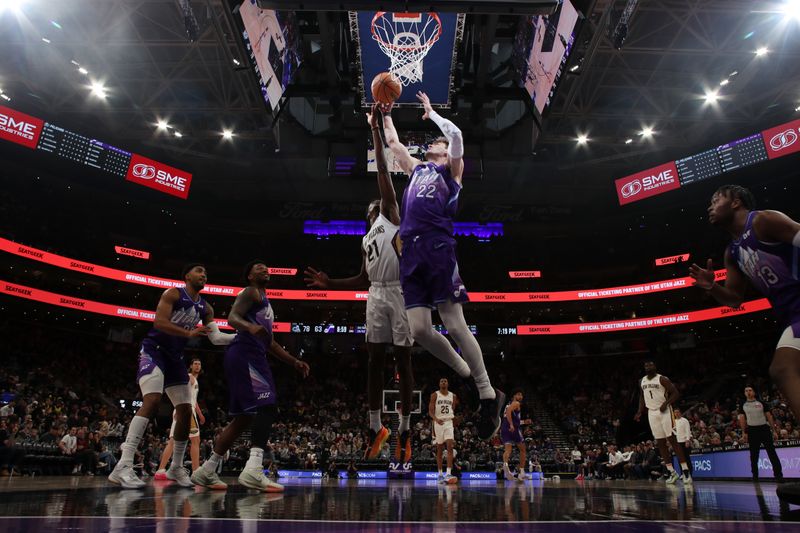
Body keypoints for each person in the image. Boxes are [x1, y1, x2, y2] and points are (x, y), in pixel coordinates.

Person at [380, 92, 504, 439]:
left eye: (440, 142)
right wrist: (384, 114)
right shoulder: (417, 169)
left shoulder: (453, 172)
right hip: (411, 255)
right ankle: (465, 372)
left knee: (455, 323)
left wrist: (433, 113)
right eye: (436, 142)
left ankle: (486, 392)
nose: (437, 144)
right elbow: (392, 142)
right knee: (418, 331)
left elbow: (458, 137)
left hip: (438, 249)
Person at [305, 105, 414, 462]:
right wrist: (329, 282)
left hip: (398, 292)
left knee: (402, 358)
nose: (375, 204)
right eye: (372, 206)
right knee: (374, 360)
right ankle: (374, 426)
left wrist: (375, 131)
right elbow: (362, 279)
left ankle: (405, 429)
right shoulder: (366, 239)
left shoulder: (391, 213)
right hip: (375, 294)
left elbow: (382, 168)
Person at [688, 185, 800, 500]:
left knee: (782, 368)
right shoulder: (732, 251)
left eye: (715, 199)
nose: (709, 206)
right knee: (781, 370)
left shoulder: (763, 221)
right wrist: (712, 288)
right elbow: (735, 299)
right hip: (792, 316)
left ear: (735, 202)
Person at [108, 264, 234, 489]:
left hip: (175, 357)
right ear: (187, 276)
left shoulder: (206, 308)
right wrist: (188, 333)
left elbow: (215, 338)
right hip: (154, 350)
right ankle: (123, 465)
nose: (203, 274)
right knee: (153, 400)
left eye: (206, 272)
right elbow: (159, 322)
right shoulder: (173, 293)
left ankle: (176, 467)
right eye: (199, 271)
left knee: (185, 411)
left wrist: (241, 338)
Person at [191, 260, 310, 492]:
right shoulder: (251, 292)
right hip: (246, 354)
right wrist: (249, 327)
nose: (265, 269)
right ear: (249, 276)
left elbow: (271, 342)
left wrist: (294, 361)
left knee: (244, 418)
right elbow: (233, 318)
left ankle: (207, 470)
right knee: (267, 407)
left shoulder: (265, 303)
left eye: (267, 267)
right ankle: (253, 469)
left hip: (248, 355)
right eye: (258, 267)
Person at [634, 360, 692, 485]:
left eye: (651, 365)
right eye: (646, 365)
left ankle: (686, 472)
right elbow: (642, 396)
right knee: (660, 443)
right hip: (651, 412)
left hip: (665, 411)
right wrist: (639, 411)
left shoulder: (662, 379)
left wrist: (666, 403)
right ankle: (672, 472)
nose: (648, 367)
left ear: (655, 367)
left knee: (672, 440)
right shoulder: (641, 381)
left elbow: (676, 393)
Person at [155, 358, 206, 478]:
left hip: (183, 409)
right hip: (186, 410)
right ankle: (196, 471)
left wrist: (200, 414)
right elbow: (183, 394)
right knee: (195, 440)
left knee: (173, 441)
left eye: (199, 364)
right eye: (195, 364)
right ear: (191, 366)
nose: (197, 366)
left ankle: (160, 470)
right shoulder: (190, 377)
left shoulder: (194, 380)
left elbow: (194, 399)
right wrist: (181, 408)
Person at [739, 386, 784, 482]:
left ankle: (778, 475)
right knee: (754, 455)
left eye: (750, 390)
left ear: (754, 392)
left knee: (772, 453)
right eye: (746, 391)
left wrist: (774, 431)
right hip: (752, 430)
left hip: (764, 429)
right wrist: (743, 432)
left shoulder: (761, 403)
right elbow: (742, 419)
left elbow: (769, 416)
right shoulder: (743, 404)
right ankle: (755, 476)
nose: (748, 392)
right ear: (744, 393)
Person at [430, 377, 458, 484]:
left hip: (448, 422)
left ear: (448, 383)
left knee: (450, 446)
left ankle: (448, 473)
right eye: (441, 381)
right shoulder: (435, 395)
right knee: (439, 449)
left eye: (445, 381)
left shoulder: (453, 396)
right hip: (438, 422)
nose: (443, 382)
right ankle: (440, 474)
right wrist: (436, 419)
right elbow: (431, 411)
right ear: (439, 383)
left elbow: (452, 409)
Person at [501, 389, 529, 481]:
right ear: (514, 396)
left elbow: (510, 416)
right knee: (523, 449)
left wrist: (523, 422)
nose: (521, 397)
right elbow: (509, 411)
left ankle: (505, 465)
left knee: (508, 449)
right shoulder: (516, 403)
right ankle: (521, 472)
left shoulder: (508, 404)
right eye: (518, 394)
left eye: (521, 395)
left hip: (504, 427)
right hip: (513, 429)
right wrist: (512, 424)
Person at [673, 408, 693, 476]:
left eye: (678, 412)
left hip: (684, 442)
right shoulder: (674, 422)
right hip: (678, 442)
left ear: (680, 413)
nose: (676, 414)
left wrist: (687, 440)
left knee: (687, 458)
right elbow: (673, 431)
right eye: (675, 412)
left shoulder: (685, 420)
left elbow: (688, 430)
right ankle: (683, 473)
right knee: (680, 459)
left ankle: (690, 473)